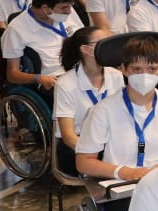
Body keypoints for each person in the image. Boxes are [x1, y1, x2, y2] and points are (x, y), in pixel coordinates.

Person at [74, 33, 158, 181]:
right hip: (122, 184)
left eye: (152, 69)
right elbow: (83, 162)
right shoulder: (103, 110)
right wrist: (124, 172)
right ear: (123, 69)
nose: (144, 75)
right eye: (136, 69)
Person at [51, 26, 123, 173]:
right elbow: (68, 136)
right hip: (78, 146)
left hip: (110, 140)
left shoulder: (116, 76)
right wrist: (93, 152)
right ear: (86, 49)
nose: (109, 47)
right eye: (103, 43)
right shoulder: (65, 84)